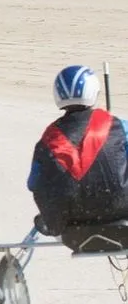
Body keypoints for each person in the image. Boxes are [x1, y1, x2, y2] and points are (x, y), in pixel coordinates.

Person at [28, 65, 128, 236]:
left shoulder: (48, 138)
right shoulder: (119, 126)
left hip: (69, 227)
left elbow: (32, 184)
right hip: (120, 213)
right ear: (94, 91)